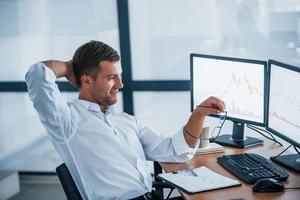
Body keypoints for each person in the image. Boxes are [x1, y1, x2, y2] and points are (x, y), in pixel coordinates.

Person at [25, 41, 225, 200]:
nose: (120, 84)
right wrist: (70, 68)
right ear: (87, 80)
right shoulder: (66, 122)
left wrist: (199, 114)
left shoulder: (126, 121)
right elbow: (37, 74)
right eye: (112, 77)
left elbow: (176, 151)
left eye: (119, 76)